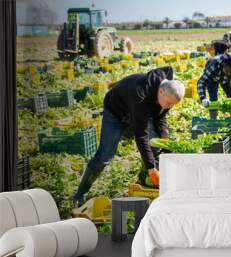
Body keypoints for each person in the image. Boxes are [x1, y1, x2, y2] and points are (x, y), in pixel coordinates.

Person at [72, 67, 185, 206]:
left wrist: (164, 139)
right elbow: (141, 135)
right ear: (161, 91)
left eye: (172, 105)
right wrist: (151, 168)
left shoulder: (165, 91)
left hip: (140, 112)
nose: (169, 107)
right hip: (116, 113)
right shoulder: (140, 96)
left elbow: (160, 117)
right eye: (168, 103)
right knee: (105, 157)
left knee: (156, 147)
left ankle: (150, 186)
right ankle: (79, 194)